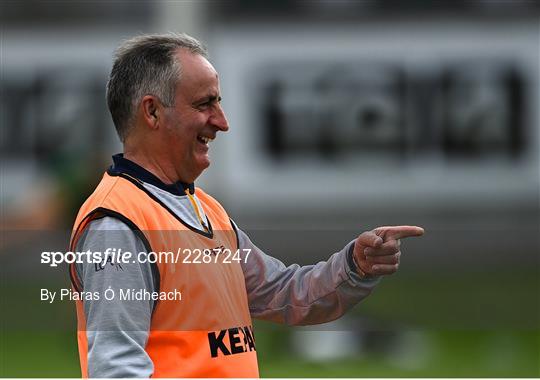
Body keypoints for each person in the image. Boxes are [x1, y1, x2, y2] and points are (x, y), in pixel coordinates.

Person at [69, 33, 424, 378]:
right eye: (204, 103)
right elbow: (116, 368)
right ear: (152, 112)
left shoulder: (203, 209)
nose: (222, 122)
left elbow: (283, 294)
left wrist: (353, 266)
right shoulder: (117, 224)